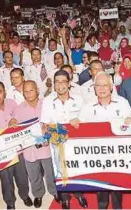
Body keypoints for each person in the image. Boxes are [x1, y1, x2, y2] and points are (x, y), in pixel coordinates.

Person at [78, 71, 131, 209]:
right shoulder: (87, 106)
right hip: (97, 155)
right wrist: (75, 123)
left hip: (118, 154)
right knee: (101, 188)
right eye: (98, 85)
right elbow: (78, 129)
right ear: (94, 88)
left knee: (117, 187)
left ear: (111, 87)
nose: (102, 88)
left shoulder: (122, 103)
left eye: (105, 85)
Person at [0, 81, 32, 209]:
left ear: (5, 92)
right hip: (1, 151)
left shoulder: (12, 104)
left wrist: (15, 121)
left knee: (22, 175)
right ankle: (10, 202)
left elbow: (20, 120)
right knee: (6, 179)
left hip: (17, 148)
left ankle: (24, 195)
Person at [40, 70, 87, 209]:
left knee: (77, 169)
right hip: (57, 144)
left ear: (69, 83)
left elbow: (85, 119)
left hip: (76, 143)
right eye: (57, 82)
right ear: (54, 84)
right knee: (59, 171)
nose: (60, 85)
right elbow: (44, 124)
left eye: (63, 81)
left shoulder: (79, 99)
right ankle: (65, 198)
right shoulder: (48, 101)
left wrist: (79, 119)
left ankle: (79, 194)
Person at [10, 80, 59, 208]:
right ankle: (38, 194)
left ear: (37, 90)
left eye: (31, 90)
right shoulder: (19, 109)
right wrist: (12, 123)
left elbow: (54, 122)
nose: (28, 93)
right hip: (29, 150)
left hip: (46, 146)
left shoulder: (47, 104)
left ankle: (54, 191)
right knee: (33, 174)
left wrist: (48, 130)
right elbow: (15, 129)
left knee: (51, 172)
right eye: (25, 91)